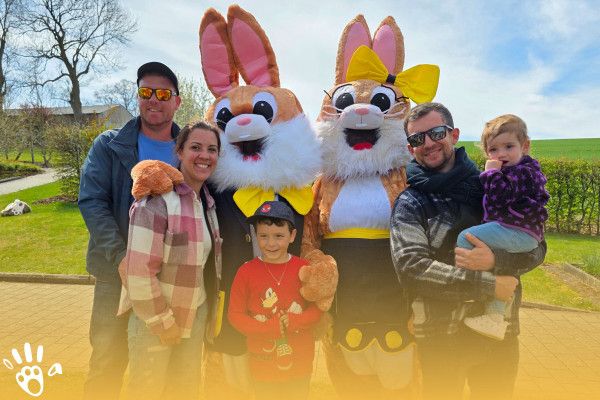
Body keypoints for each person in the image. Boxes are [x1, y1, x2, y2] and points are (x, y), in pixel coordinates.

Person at [390, 102, 547, 400]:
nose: (428, 143)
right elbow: (411, 268)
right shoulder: (411, 202)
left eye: (437, 133)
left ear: (454, 135)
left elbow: (536, 244)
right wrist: (489, 284)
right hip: (440, 336)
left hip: (499, 335)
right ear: (411, 148)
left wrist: (496, 259)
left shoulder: (492, 184)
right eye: (417, 138)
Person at [78, 61, 181, 399]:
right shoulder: (109, 145)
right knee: (107, 360)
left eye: (163, 93)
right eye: (146, 92)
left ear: (177, 101)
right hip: (116, 274)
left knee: (163, 366)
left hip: (170, 276)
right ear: (137, 96)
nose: (154, 99)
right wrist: (122, 257)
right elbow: (92, 202)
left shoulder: (190, 148)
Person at [117, 122, 222, 399]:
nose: (204, 155)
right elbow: (138, 272)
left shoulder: (208, 203)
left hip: (194, 316)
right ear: (179, 151)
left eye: (212, 149)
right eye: (195, 147)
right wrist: (163, 322)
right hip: (154, 322)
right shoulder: (157, 201)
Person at [457, 114, 549, 340]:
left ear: (525, 146)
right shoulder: (519, 171)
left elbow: (500, 197)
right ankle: (494, 317)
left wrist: (490, 173)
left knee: (465, 238)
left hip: (517, 231)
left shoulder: (522, 173)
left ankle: (470, 291)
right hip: (521, 231)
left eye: (509, 146)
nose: (501, 154)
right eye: (493, 149)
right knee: (503, 270)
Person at [228, 201, 322, 400]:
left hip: (300, 362)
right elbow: (235, 315)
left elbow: (318, 309)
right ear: (256, 236)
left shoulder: (304, 268)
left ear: (292, 235)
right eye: (264, 236)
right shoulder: (246, 271)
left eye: (279, 236)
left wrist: (297, 321)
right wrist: (266, 328)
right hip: (263, 364)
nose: (271, 244)